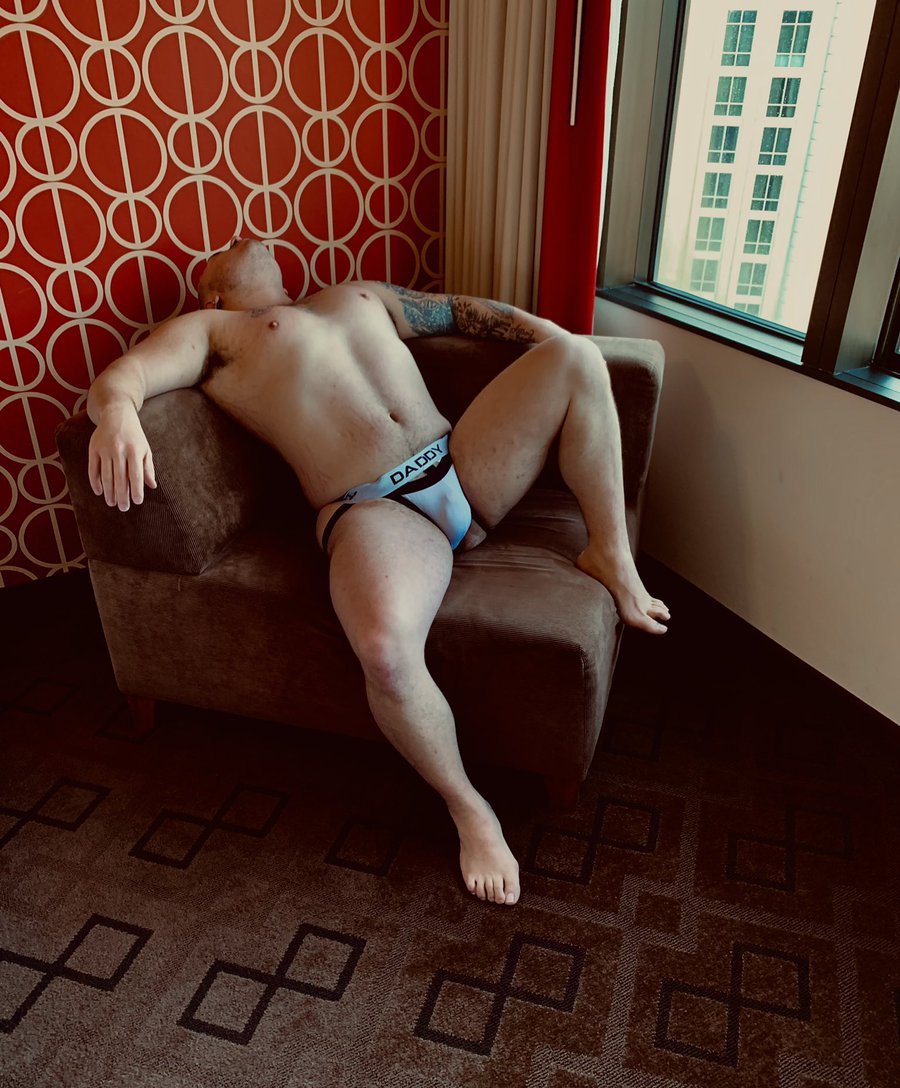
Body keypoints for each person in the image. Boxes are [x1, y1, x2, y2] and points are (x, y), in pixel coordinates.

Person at [86, 237, 669, 907]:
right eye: (235, 252)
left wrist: (545, 331)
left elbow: (457, 311)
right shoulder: (213, 330)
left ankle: (610, 553)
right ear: (214, 291)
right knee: (387, 654)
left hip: (464, 460)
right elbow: (123, 377)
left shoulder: (355, 294)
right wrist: (119, 413)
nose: (256, 242)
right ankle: (469, 808)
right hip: (375, 510)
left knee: (578, 357)